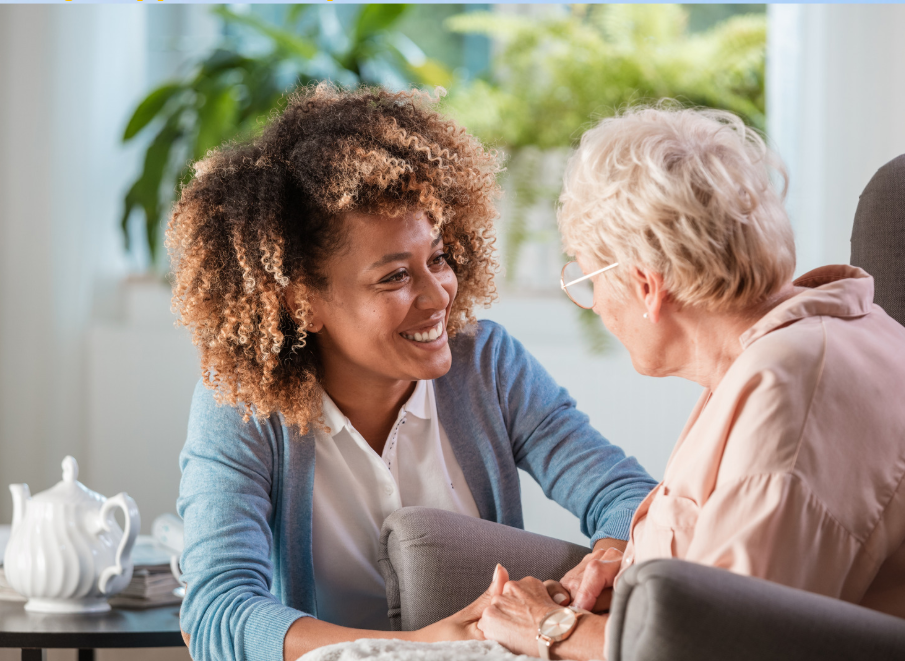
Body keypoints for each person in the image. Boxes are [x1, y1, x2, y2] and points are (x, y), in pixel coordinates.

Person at [169, 84, 658, 661]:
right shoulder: (243, 403)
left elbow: (627, 495)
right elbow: (217, 611)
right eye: (394, 277)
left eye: (439, 259)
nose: (438, 297)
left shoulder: (488, 365)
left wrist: (604, 562)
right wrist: (414, 648)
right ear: (303, 302)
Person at [477, 104, 905, 661]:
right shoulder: (784, 351)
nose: (597, 306)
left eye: (587, 278)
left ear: (647, 285)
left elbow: (724, 643)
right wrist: (636, 573)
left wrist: (551, 627)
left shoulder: (787, 391)